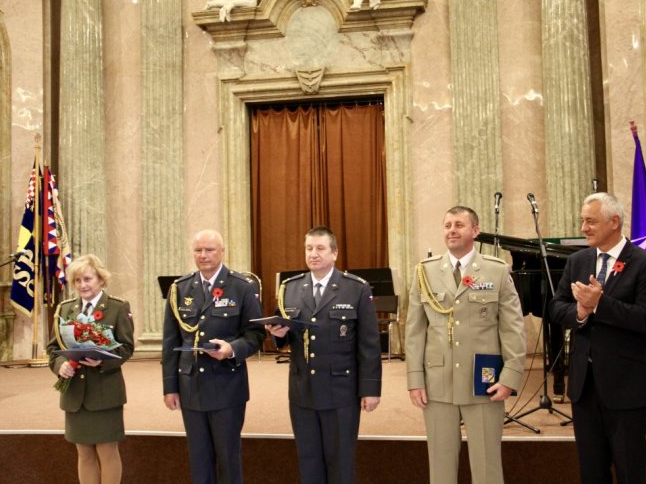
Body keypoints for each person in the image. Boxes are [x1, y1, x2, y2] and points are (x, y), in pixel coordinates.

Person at [405, 206, 526, 484]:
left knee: (487, 466)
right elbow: (414, 331)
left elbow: (513, 328)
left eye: (459, 225)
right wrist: (415, 379)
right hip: (438, 382)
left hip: (483, 382)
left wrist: (510, 377)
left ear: (475, 231)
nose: (452, 230)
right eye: (447, 225)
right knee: (441, 463)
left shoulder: (496, 271)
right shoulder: (425, 272)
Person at [549, 192, 646, 484]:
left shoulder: (645, 263)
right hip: (584, 387)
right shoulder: (577, 261)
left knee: (629, 471)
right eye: (582, 221)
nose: (584, 227)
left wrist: (601, 303)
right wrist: (581, 311)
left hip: (625, 387)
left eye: (590, 221)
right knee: (592, 473)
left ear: (614, 222)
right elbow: (556, 306)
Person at [265, 226, 381, 484]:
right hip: (302, 389)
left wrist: (371, 389)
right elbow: (282, 339)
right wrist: (278, 332)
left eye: (320, 248)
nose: (313, 254)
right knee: (308, 460)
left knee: (340, 461)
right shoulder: (290, 288)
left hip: (341, 390)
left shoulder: (356, 289)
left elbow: (369, 344)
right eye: (309, 248)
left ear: (334, 253)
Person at [162, 229, 266, 484]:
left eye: (209, 250)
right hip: (191, 386)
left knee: (228, 456)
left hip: (227, 385)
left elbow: (256, 334)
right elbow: (170, 342)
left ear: (222, 251)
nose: (203, 255)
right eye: (198, 250)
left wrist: (232, 349)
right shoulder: (180, 288)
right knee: (199, 457)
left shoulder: (241, 287)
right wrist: (170, 387)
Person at [47, 254, 135, 484]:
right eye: (77, 281)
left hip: (105, 392)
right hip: (75, 392)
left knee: (107, 450)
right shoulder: (64, 310)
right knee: (84, 453)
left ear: (101, 280)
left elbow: (126, 347)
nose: (83, 285)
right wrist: (60, 366)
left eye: (87, 279)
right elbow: (53, 348)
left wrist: (103, 361)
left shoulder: (117, 307)